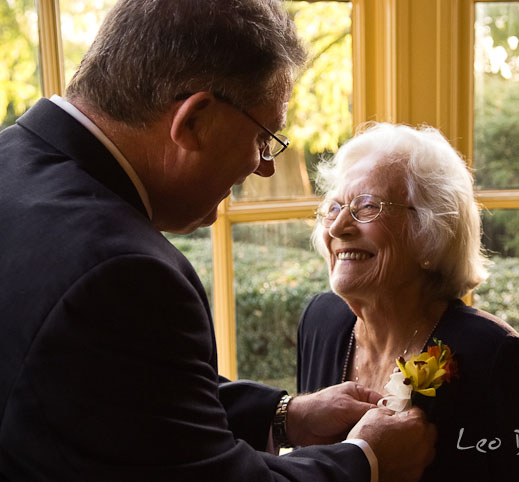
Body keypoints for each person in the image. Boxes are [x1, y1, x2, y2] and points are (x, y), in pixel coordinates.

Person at [0, 1, 436, 481]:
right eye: (265, 137)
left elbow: (116, 395)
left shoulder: (11, 163)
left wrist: (283, 415)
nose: (264, 166)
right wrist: (367, 461)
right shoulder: (122, 273)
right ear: (194, 121)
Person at [297, 122, 519, 481]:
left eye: (367, 206)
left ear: (430, 233)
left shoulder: (491, 354)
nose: (337, 228)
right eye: (334, 207)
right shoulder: (321, 321)